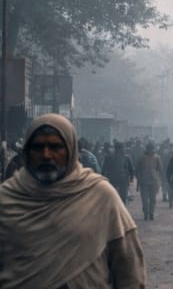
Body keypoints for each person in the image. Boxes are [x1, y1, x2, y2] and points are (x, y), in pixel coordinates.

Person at [0, 114, 145, 287]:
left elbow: (129, 270)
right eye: (38, 147)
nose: (46, 155)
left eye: (55, 147)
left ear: (71, 150)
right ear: (26, 152)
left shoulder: (100, 196)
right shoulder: (6, 199)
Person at [136, 142, 163, 221]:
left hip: (149, 181)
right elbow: (160, 169)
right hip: (148, 181)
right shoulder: (155, 157)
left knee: (149, 199)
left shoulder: (155, 158)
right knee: (149, 199)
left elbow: (160, 169)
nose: (151, 150)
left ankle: (149, 213)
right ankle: (148, 213)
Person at [101, 140, 135, 204]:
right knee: (122, 197)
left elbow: (104, 169)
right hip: (123, 179)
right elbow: (131, 169)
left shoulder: (109, 157)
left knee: (113, 196)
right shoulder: (126, 157)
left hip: (113, 179)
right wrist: (131, 177)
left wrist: (103, 178)